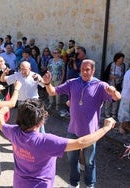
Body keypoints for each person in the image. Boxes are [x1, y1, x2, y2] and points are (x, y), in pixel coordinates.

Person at [0, 98, 116, 188]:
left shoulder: (13, 131)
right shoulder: (46, 141)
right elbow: (80, 143)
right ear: (41, 121)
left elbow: (1, 124)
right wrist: (106, 128)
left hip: (19, 184)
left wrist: (2, 112)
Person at [42, 59, 121, 188]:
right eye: (82, 69)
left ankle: (90, 185)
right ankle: (74, 183)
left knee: (89, 162)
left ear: (93, 70)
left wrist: (113, 91)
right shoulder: (72, 83)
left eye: (87, 69)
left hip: (91, 132)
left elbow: (117, 97)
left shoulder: (100, 86)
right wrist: (47, 83)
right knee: (72, 160)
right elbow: (52, 91)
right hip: (73, 130)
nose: (84, 72)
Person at [104, 52, 125, 119]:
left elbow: (123, 75)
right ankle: (107, 113)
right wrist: (110, 76)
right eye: (121, 59)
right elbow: (105, 74)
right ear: (117, 59)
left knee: (116, 99)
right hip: (111, 84)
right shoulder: (111, 64)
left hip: (118, 85)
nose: (123, 60)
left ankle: (114, 113)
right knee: (108, 99)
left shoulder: (123, 65)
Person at [117, 68, 130, 134]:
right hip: (127, 96)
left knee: (124, 113)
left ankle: (124, 127)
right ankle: (122, 128)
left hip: (125, 95)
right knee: (125, 114)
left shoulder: (127, 72)